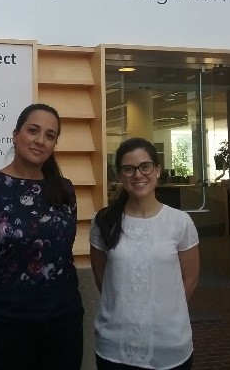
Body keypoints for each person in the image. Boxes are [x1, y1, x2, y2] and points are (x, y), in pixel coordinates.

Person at [0, 103, 83, 370]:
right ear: (16, 135)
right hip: (3, 325)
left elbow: (62, 253)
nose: (40, 141)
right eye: (33, 130)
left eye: (50, 135)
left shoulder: (65, 190)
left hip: (62, 321)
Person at [90, 137, 200, 370]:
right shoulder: (104, 222)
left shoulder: (179, 222)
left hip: (169, 346)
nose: (138, 175)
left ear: (157, 170)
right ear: (120, 175)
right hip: (114, 347)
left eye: (145, 166)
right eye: (128, 169)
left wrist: (166, 312)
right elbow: (103, 279)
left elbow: (189, 280)